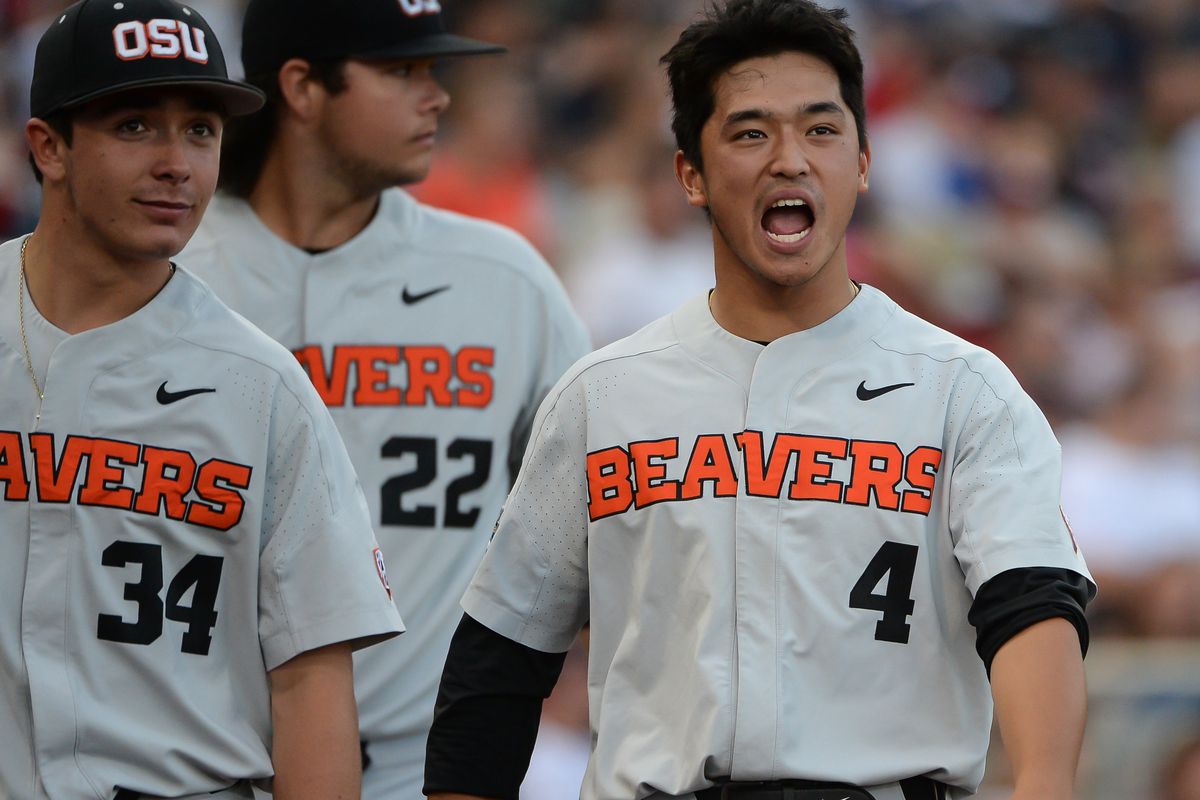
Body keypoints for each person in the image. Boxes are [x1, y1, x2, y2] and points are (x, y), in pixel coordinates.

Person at [423, 2, 1096, 799]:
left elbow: (1032, 606)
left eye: (820, 129)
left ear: (864, 161)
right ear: (690, 175)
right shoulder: (601, 395)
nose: (790, 159)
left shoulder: (964, 388)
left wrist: (1045, 784)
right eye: (750, 133)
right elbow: (498, 662)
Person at [177, 0, 590, 796]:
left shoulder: (504, 281)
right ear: (302, 86)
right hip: (205, 762)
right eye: (402, 72)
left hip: (428, 770)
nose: (436, 96)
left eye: (432, 71)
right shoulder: (176, 271)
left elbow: (601, 515)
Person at [0, 1, 406, 799]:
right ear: (48, 147)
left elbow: (311, 680)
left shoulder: (262, 387)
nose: (177, 163)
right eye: (134, 126)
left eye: (200, 130)